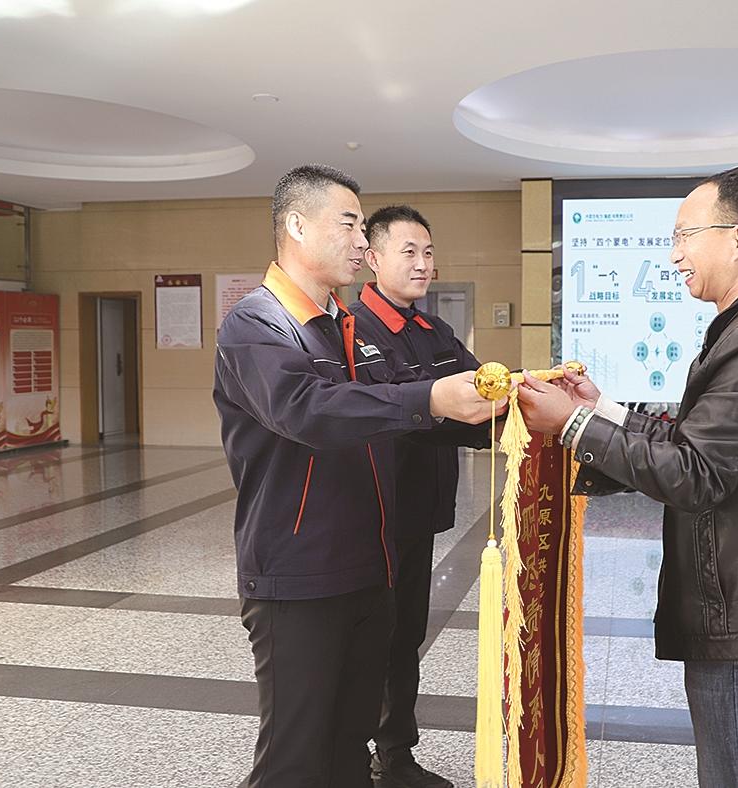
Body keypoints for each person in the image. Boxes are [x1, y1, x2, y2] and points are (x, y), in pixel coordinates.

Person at [518, 166, 738, 788]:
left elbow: (697, 473)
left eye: (684, 236)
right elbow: (698, 440)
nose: (674, 255)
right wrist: (602, 411)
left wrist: (572, 426)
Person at [213, 165, 498, 788]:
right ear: (296, 225)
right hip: (300, 574)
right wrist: (429, 397)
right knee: (293, 762)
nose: (361, 242)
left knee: (347, 752)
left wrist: (519, 414)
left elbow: (404, 422)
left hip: (369, 568)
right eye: (349, 224)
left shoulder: (342, 324)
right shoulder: (257, 324)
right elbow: (308, 410)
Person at [350, 205, 486, 788]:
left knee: (405, 636)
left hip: (418, 513)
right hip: (369, 517)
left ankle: (396, 755)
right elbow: (388, 418)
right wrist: (448, 411)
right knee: (368, 640)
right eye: (409, 252)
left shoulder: (436, 332)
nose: (423, 264)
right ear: (373, 258)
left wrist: (532, 404)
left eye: (428, 252)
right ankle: (351, 757)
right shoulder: (352, 330)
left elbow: (481, 396)